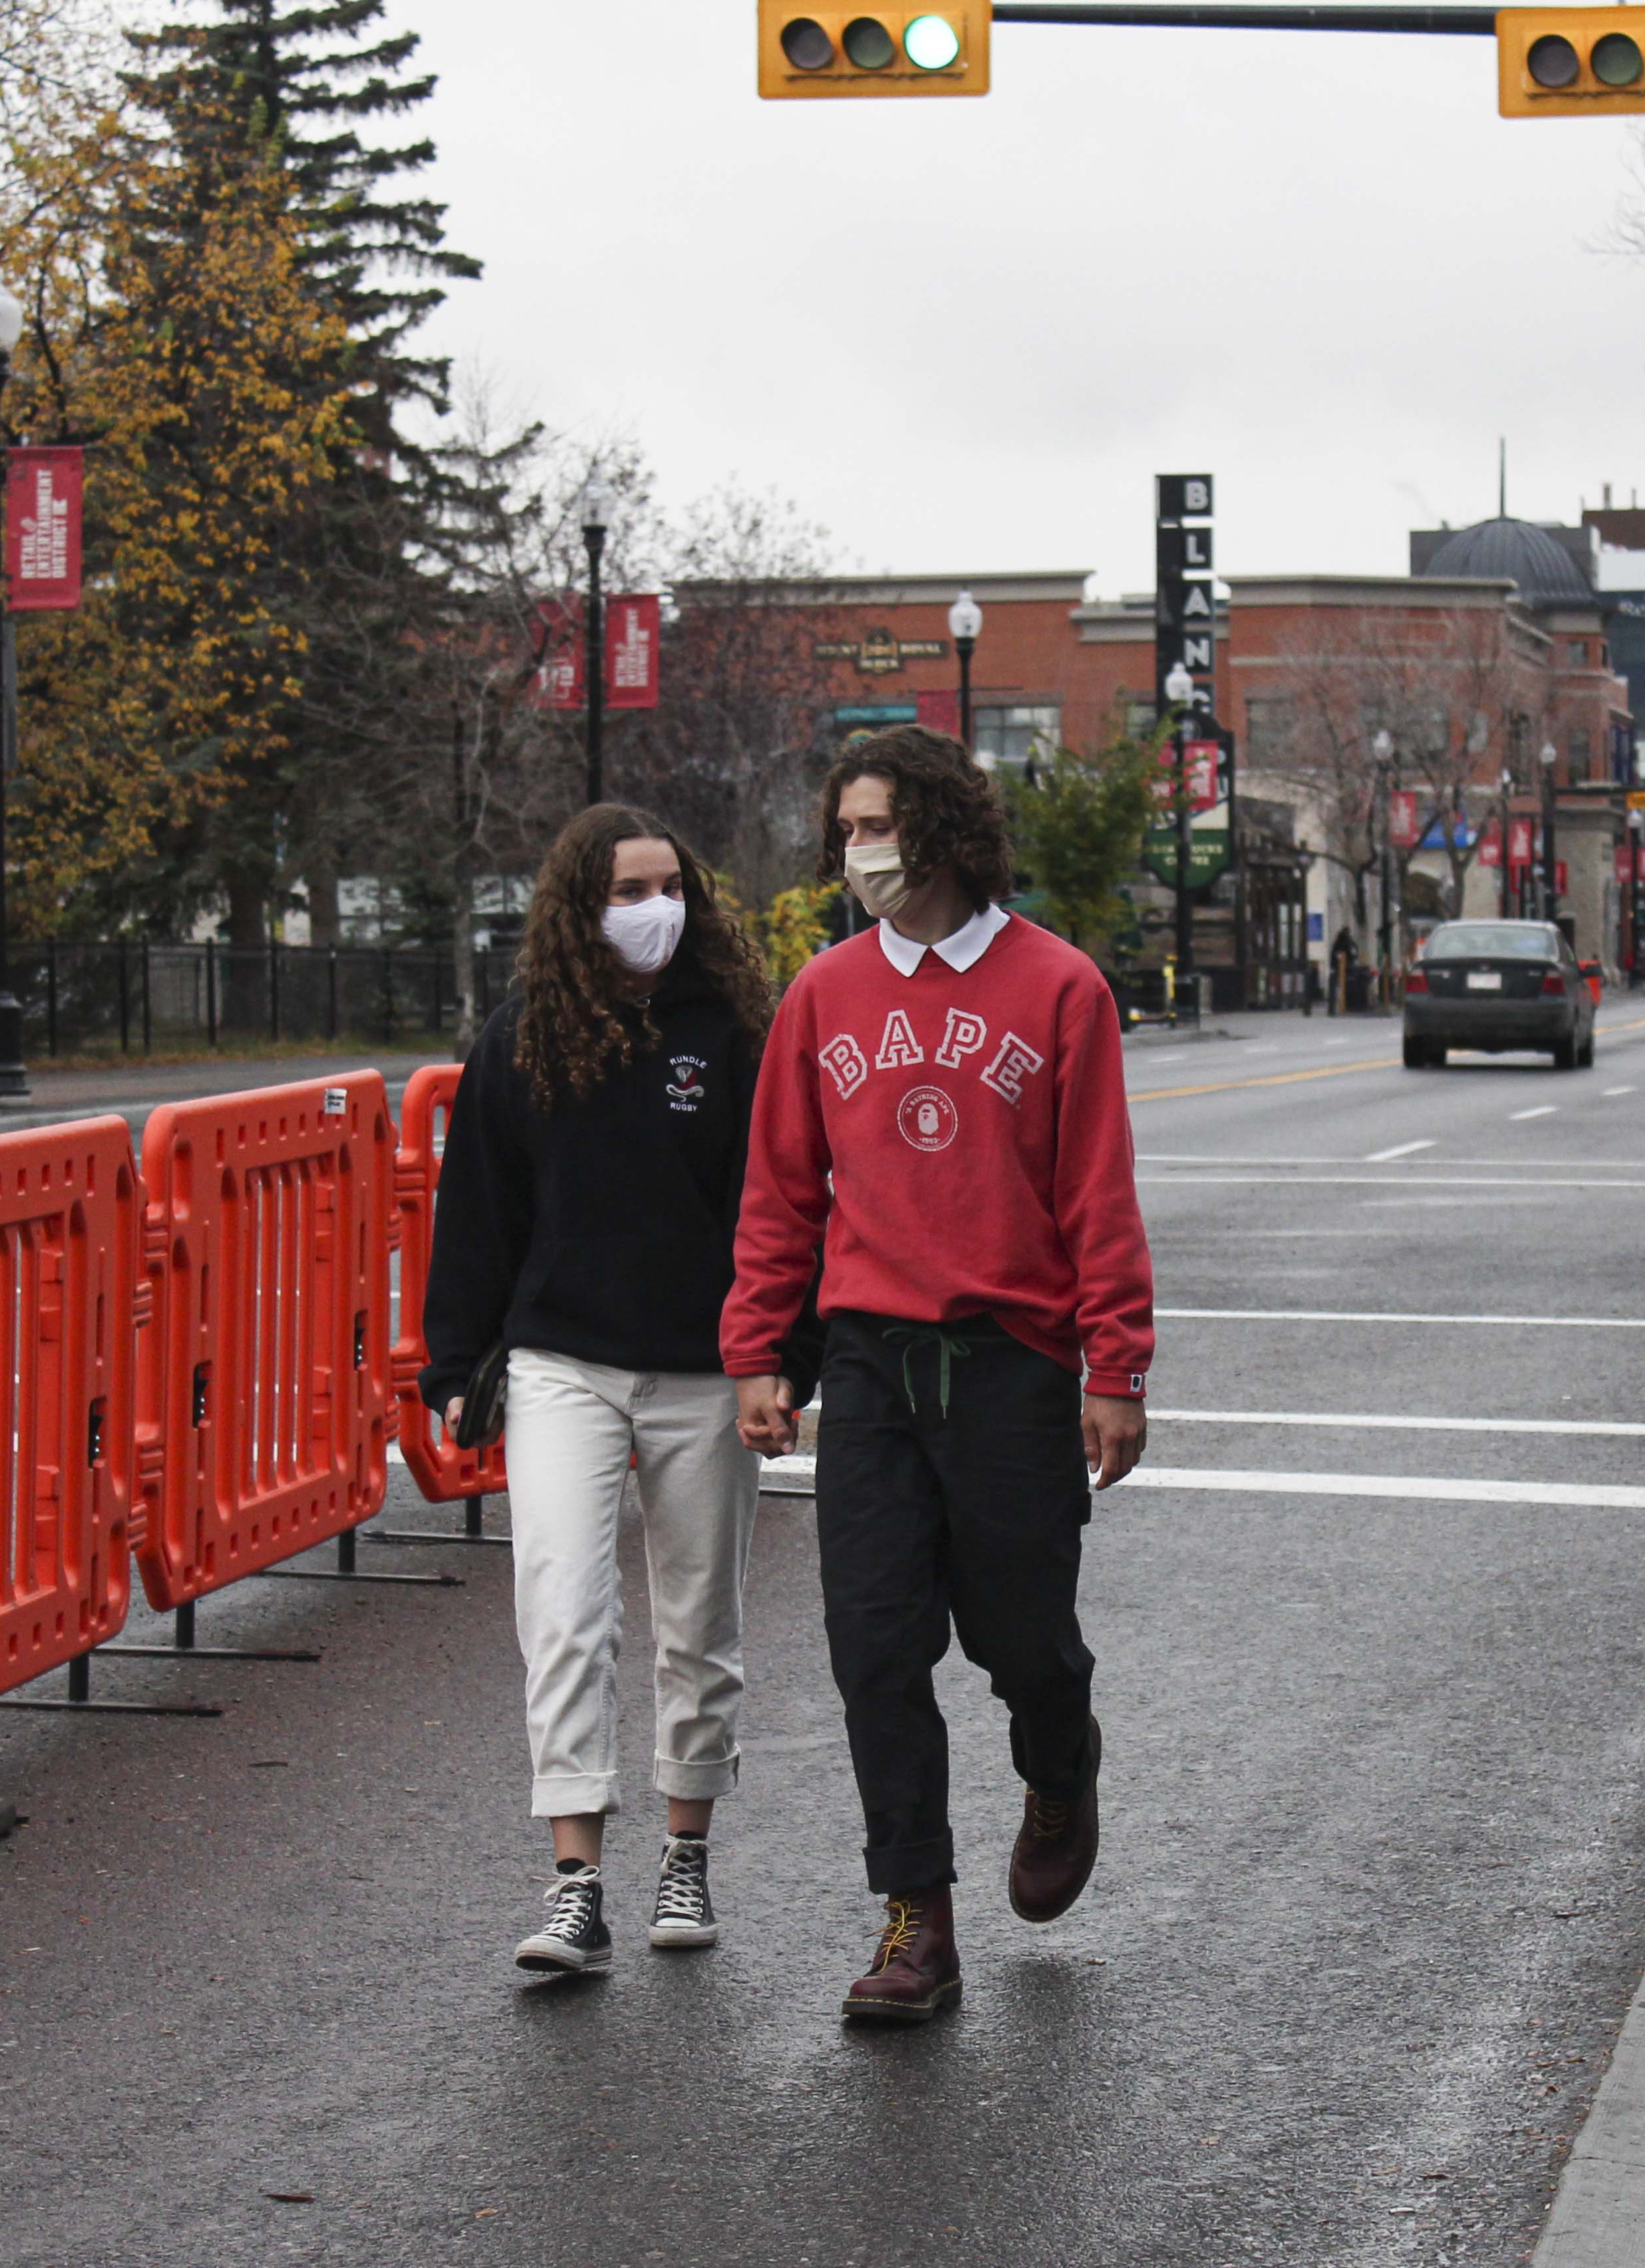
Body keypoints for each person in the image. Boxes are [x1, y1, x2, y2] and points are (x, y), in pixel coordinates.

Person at [723, 725, 1153, 2027]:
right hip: (870, 1364)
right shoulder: (823, 994)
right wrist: (756, 1349)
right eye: (846, 832)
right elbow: (780, 1191)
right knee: (873, 1649)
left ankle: (1059, 1759)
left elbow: (1097, 1191)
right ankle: (916, 1918)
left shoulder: (1058, 986)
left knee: (1018, 1637)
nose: (861, 855)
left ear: (946, 830)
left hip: (1013, 1363)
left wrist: (1116, 1364)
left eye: (880, 828)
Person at [417, 802, 813, 1983]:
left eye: (668, 887)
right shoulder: (525, 1036)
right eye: (627, 891)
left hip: (707, 1369)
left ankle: (686, 1848)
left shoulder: (737, 1032)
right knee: (562, 1611)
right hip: (562, 1364)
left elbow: (784, 1204)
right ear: (577, 912)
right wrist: (453, 1365)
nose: (655, 911)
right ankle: (575, 1877)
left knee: (700, 1621)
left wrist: (788, 1352)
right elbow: (477, 1209)